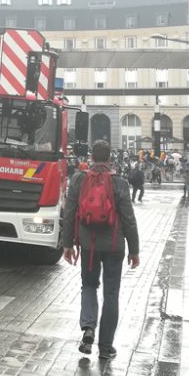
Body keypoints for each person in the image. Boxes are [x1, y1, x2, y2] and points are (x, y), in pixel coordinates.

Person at [61, 140, 139, 360]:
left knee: (88, 285)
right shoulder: (119, 183)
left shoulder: (78, 179)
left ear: (92, 157)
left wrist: (67, 244)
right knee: (111, 293)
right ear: (109, 158)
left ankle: (88, 327)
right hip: (115, 245)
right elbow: (129, 219)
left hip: (89, 246)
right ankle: (105, 348)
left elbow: (69, 214)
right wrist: (134, 250)